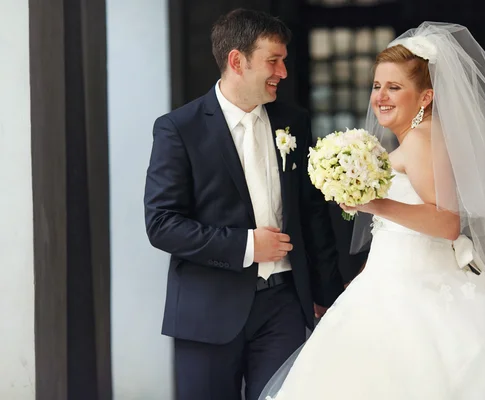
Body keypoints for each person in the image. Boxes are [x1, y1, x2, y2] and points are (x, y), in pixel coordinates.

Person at [260, 22, 485, 399]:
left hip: (417, 291)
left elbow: (447, 222)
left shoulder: (422, 141)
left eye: (394, 87)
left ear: (424, 98)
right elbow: (398, 228)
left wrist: (375, 204)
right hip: (390, 282)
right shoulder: (413, 141)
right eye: (376, 86)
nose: (380, 97)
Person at [144, 9, 343, 400]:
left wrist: (328, 294)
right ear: (237, 61)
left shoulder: (293, 122)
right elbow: (162, 223)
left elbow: (311, 213)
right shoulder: (178, 129)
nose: (283, 72)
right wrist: (248, 246)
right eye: (273, 60)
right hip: (208, 309)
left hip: (285, 306)